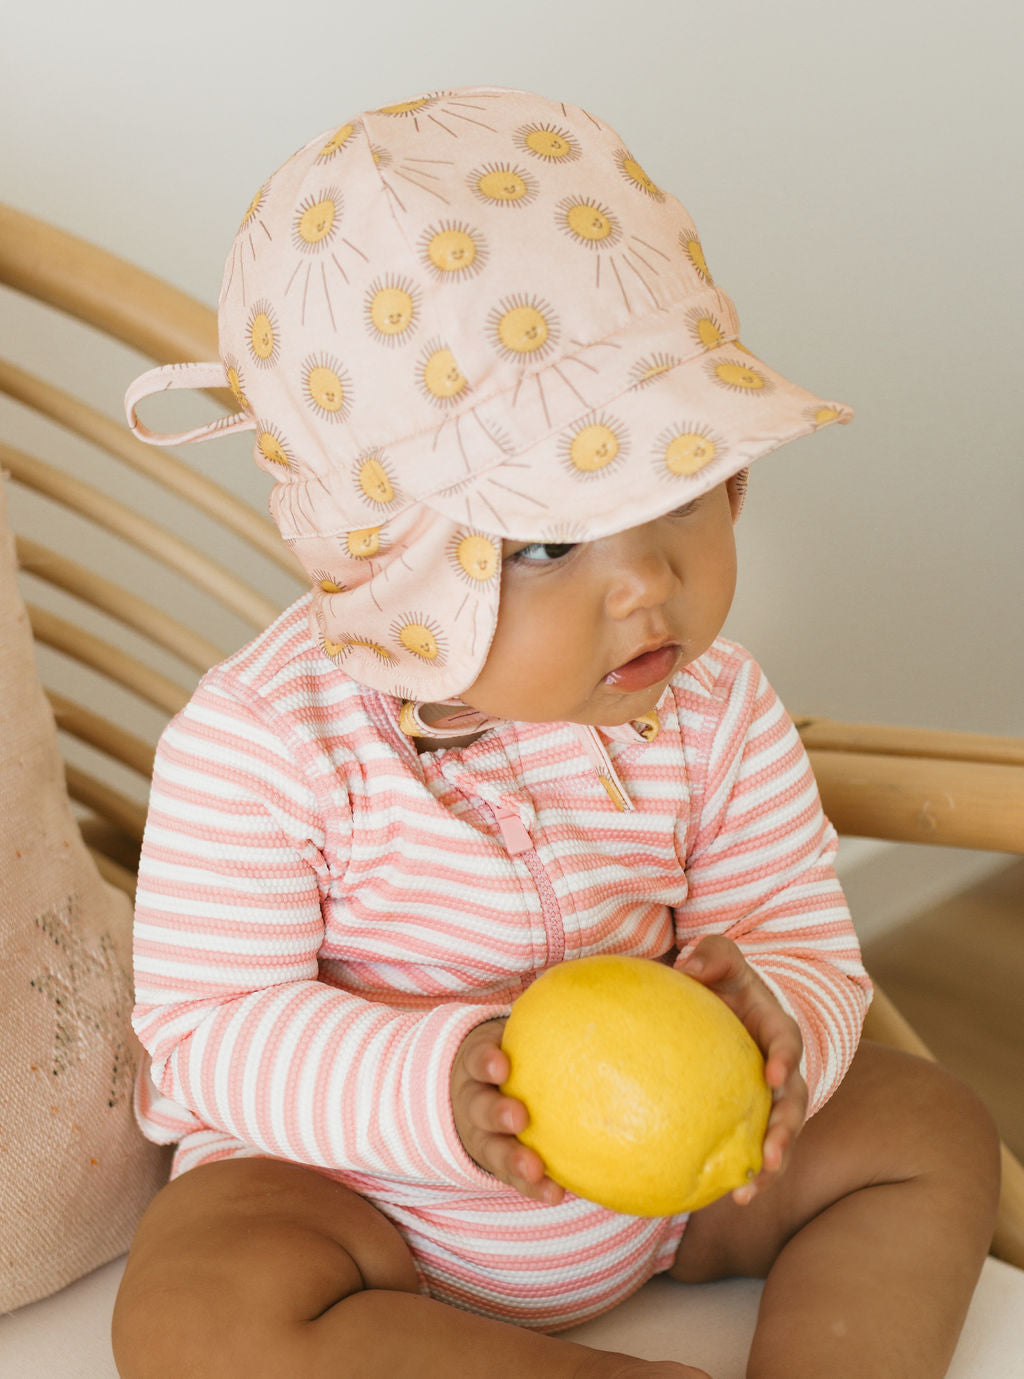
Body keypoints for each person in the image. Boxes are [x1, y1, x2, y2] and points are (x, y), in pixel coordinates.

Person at [111, 87, 998, 1378]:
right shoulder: (261, 744)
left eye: (679, 495)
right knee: (198, 1311)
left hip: (682, 1183)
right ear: (394, 568)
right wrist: (438, 1083)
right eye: (543, 543)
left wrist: (782, 1020)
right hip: (369, 1199)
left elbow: (796, 932)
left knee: (929, 1125)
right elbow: (210, 1024)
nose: (648, 587)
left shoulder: (718, 709)